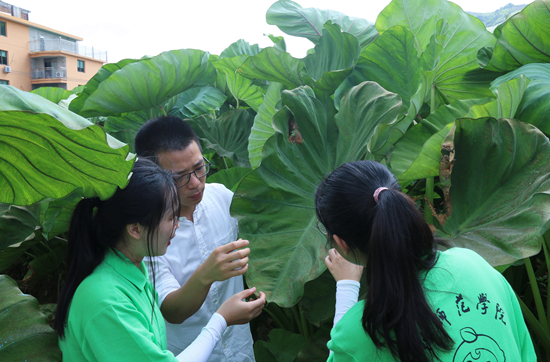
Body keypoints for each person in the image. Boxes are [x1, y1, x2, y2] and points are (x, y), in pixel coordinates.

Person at [315, 160, 535, 362]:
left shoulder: (362, 333)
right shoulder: (472, 262)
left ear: (341, 244)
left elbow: (346, 351)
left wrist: (347, 286)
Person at [55, 158, 266, 361]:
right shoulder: (105, 300)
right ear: (135, 229)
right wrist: (221, 319)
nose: (177, 224)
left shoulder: (132, 272)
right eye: (170, 217)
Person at [134, 116, 256, 361]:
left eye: (199, 168)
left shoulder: (222, 197)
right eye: (179, 177)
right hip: (186, 353)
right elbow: (172, 310)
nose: (196, 183)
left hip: (239, 348)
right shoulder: (145, 234)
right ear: (152, 175)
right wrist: (207, 274)